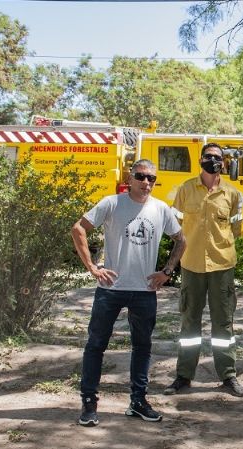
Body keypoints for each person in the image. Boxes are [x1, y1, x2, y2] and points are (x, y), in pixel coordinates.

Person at [71, 159, 185, 426]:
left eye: (152, 179)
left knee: (142, 347)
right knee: (96, 346)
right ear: (130, 177)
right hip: (110, 289)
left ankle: (138, 401)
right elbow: (79, 229)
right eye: (141, 176)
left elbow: (181, 239)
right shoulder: (112, 203)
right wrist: (93, 268)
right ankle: (89, 403)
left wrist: (167, 272)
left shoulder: (161, 209)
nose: (146, 183)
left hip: (144, 291)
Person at [163, 143, 243, 397]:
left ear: (224, 162)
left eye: (218, 158)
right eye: (209, 157)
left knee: (224, 324)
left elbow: (235, 229)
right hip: (192, 265)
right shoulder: (185, 190)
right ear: (201, 159)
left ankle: (228, 375)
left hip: (222, 266)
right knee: (189, 323)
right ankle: (184, 376)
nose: (213, 161)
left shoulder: (232, 194)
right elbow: (174, 226)